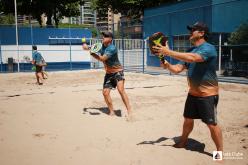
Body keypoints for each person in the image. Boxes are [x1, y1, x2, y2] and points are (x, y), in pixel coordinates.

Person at [152, 22, 223, 152]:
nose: (190, 32)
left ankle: (219, 153)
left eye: (193, 30)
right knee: (188, 120)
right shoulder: (190, 50)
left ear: (201, 33)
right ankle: (183, 142)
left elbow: (194, 58)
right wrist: (164, 61)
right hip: (193, 94)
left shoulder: (209, 48)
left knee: (211, 125)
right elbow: (177, 69)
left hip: (207, 95)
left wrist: (168, 51)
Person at [83, 31, 132, 118]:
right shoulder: (100, 45)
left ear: (110, 39)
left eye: (105, 36)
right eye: (103, 36)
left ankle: (129, 111)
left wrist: (91, 52)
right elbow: (92, 48)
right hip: (109, 73)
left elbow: (102, 58)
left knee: (120, 90)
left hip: (118, 72)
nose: (103, 37)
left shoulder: (112, 48)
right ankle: (112, 111)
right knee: (105, 93)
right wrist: (86, 47)